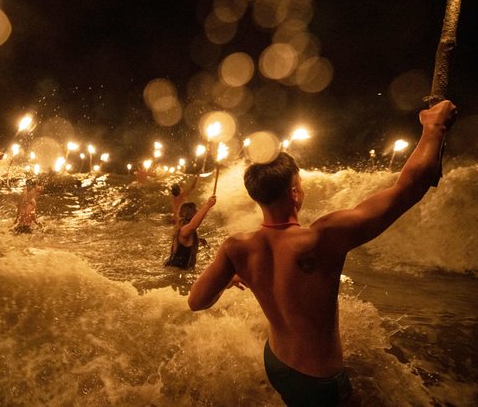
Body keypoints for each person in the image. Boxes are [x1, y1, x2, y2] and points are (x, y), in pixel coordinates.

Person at [187, 100, 457, 406]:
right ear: (295, 192)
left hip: (275, 362)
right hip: (318, 380)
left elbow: (197, 302)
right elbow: (407, 189)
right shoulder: (322, 238)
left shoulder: (237, 247)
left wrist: (230, 278)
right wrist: (434, 128)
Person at [165, 195, 216, 269]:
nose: (198, 212)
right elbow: (193, 225)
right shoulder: (184, 230)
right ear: (192, 214)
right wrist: (207, 205)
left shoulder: (185, 230)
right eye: (196, 211)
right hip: (175, 271)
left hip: (181, 270)